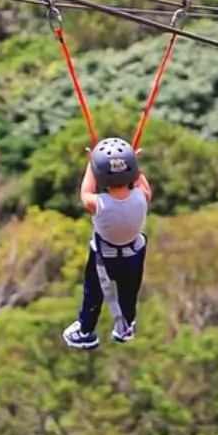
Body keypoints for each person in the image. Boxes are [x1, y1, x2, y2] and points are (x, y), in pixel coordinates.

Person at [62, 137, 153, 350]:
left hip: (104, 256)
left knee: (93, 293)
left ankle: (86, 331)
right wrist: (132, 165)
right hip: (134, 253)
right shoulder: (142, 196)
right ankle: (125, 325)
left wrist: (92, 163)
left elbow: (86, 191)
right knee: (129, 292)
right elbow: (141, 182)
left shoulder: (98, 204)